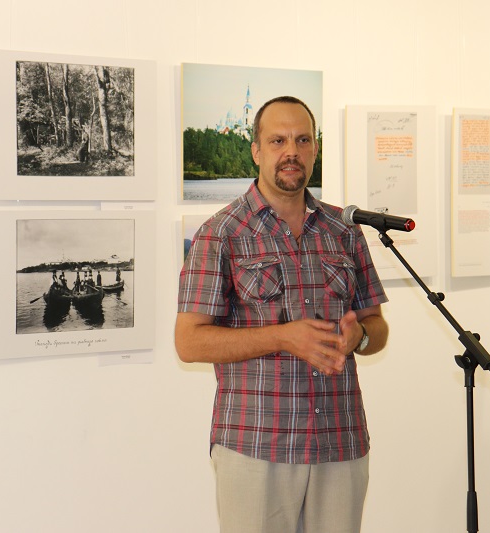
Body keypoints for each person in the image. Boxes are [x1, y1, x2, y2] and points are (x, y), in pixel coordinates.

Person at [175, 96, 389, 533]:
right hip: (257, 447)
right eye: (278, 141)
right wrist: (283, 337)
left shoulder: (345, 230)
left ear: (315, 149)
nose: (291, 151)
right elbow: (189, 341)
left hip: (340, 442)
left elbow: (377, 328)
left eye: (302, 140)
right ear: (256, 151)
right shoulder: (221, 233)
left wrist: (359, 338)